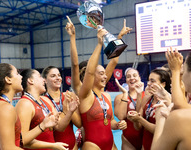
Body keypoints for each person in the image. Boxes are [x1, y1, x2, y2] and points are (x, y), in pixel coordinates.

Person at [65, 16, 132, 150]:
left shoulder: (104, 95)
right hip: (92, 145)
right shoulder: (83, 93)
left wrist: (119, 37)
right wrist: (97, 43)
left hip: (111, 144)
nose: (105, 75)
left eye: (104, 73)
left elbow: (113, 61)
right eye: (101, 73)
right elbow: (76, 65)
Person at [15, 69, 68, 150]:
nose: (43, 79)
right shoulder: (25, 103)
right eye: (40, 76)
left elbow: (60, 128)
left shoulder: (45, 100)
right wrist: (52, 145)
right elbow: (22, 140)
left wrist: (69, 111)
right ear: (30, 80)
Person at [151, 47, 191, 149]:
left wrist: (161, 119)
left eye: (184, 70)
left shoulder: (179, 117)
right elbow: (181, 105)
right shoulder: (184, 111)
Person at [128, 68, 171, 150]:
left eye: (152, 81)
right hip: (145, 146)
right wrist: (135, 119)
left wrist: (140, 119)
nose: (148, 83)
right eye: (148, 80)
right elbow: (138, 127)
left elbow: (159, 130)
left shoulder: (167, 103)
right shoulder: (147, 99)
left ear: (163, 84)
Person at [42, 66, 81, 150]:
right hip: (55, 147)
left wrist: (71, 109)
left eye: (59, 75)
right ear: (44, 80)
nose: (57, 78)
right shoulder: (43, 101)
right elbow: (58, 128)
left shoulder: (69, 96)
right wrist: (66, 111)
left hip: (73, 145)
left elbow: (79, 124)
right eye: (53, 76)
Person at [0, 63, 23, 150]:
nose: (21, 77)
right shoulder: (5, 108)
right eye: (17, 73)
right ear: (8, 79)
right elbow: (8, 148)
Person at [114, 68, 144, 150]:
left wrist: (139, 94)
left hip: (145, 137)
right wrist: (125, 94)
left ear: (139, 78)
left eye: (135, 75)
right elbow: (120, 116)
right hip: (128, 140)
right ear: (126, 80)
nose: (132, 78)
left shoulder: (146, 95)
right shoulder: (120, 97)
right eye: (128, 76)